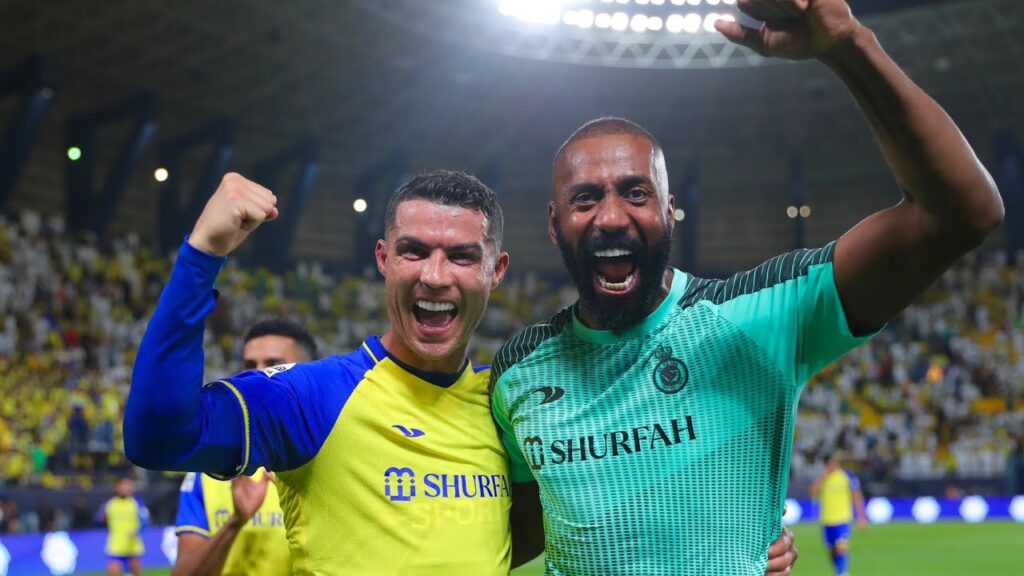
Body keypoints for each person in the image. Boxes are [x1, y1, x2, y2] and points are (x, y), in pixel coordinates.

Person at [489, 0, 1003, 574]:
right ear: (554, 223)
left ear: (670, 211)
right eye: (585, 198)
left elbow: (962, 214)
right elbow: (505, 532)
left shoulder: (762, 315)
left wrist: (849, 48)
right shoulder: (517, 370)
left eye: (637, 193)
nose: (611, 217)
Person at [126, 170, 797, 574]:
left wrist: (735, 548)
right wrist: (203, 253)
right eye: (415, 252)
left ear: (495, 272)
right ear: (384, 259)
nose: (436, 277)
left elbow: (591, 513)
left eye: (461, 257)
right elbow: (158, 437)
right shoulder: (312, 395)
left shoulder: (512, 403)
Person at [173, 319, 317, 576]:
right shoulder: (208, 471)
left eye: (274, 366)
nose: (257, 376)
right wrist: (235, 523)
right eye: (249, 366)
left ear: (309, 374)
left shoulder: (334, 462)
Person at [810, 454, 867, 576]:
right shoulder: (823, 477)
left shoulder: (848, 476)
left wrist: (861, 517)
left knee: (841, 547)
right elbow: (813, 493)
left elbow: (857, 496)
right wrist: (823, 477)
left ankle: (843, 573)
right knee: (832, 552)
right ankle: (839, 571)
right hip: (827, 520)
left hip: (843, 519)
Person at [97, 477, 149, 576]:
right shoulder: (109, 503)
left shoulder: (137, 502)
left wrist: (136, 531)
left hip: (133, 546)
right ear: (117, 487)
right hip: (115, 546)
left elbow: (145, 522)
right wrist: (102, 519)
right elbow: (98, 521)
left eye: (129, 485)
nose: (126, 488)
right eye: (123, 485)